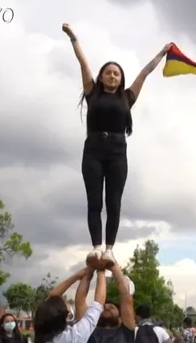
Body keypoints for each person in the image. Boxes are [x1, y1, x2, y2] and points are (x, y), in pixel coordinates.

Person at [62, 22, 171, 268]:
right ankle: (96, 247)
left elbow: (144, 73)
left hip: (117, 154)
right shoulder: (93, 93)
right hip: (93, 153)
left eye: (117, 73)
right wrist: (73, 38)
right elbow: (83, 63)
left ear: (120, 80)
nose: (112, 76)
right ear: (101, 77)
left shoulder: (127, 97)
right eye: (108, 72)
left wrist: (162, 53)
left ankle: (110, 250)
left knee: (113, 202)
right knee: (94, 202)